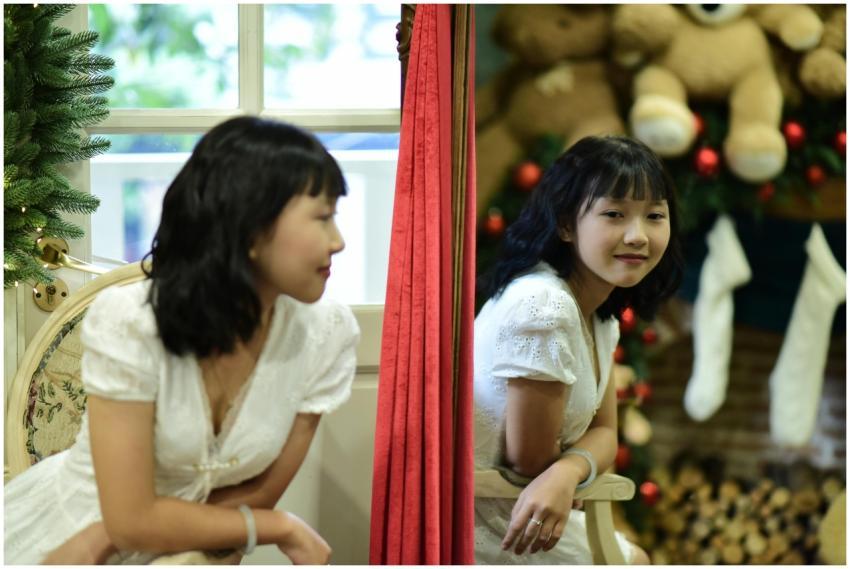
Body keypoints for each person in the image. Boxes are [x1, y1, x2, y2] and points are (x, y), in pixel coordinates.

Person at [4, 116, 360, 565]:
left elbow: (261, 492)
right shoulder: (132, 322)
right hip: (68, 539)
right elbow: (131, 520)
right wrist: (281, 526)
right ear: (251, 227)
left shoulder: (326, 333)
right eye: (323, 217)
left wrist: (124, 529)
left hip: (180, 549)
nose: (338, 241)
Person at [473, 135, 683, 564]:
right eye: (614, 214)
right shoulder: (544, 305)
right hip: (494, 522)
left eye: (654, 216)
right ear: (566, 224)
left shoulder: (600, 317)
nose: (638, 236)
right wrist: (570, 470)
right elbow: (529, 461)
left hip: (534, 507)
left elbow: (606, 434)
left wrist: (570, 470)